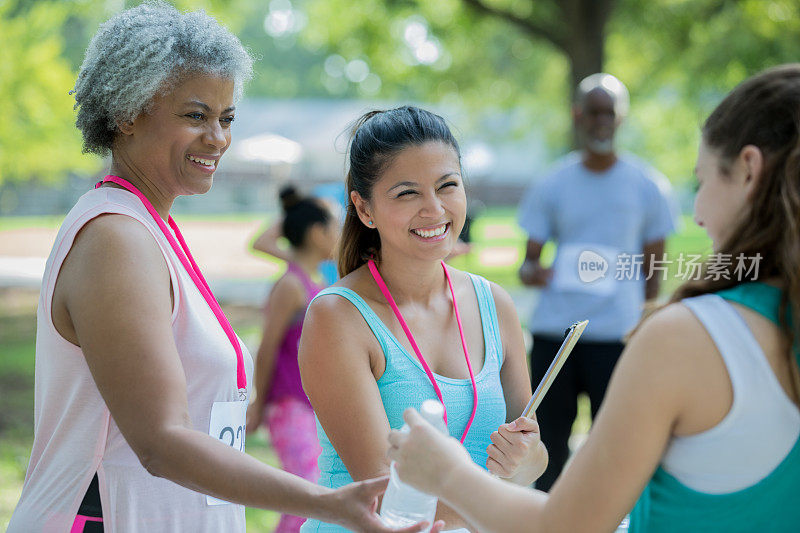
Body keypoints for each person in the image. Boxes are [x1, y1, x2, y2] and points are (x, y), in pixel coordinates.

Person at [7, 4, 431, 532]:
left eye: (227, 118)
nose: (218, 138)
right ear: (126, 113)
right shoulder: (115, 238)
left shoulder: (150, 225)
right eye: (195, 115)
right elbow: (162, 441)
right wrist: (327, 502)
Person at [388, 64, 800, 532]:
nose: (699, 212)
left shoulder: (686, 338)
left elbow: (567, 525)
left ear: (748, 170)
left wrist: (444, 471)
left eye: (703, 180)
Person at [298, 107, 549, 533]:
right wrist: (527, 510)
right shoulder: (337, 317)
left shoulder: (494, 303)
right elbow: (386, 497)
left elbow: (533, 457)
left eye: (447, 185)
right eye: (407, 193)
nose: (434, 209)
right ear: (364, 208)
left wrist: (522, 462)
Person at [517, 72, 678, 490]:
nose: (601, 121)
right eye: (593, 112)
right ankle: (546, 517)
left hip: (615, 334)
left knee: (616, 444)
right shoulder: (553, 182)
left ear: (621, 118)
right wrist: (539, 272)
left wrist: (646, 321)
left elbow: (655, 267)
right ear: (578, 116)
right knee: (547, 445)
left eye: (610, 113)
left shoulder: (647, 185)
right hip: (556, 334)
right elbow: (527, 266)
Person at [246, 186, 339, 532]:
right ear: (317, 234)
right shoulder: (291, 285)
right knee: (304, 495)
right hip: (287, 406)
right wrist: (258, 403)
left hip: (307, 406)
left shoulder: (312, 280)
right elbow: (267, 346)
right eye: (335, 227)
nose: (341, 235)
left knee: (310, 492)